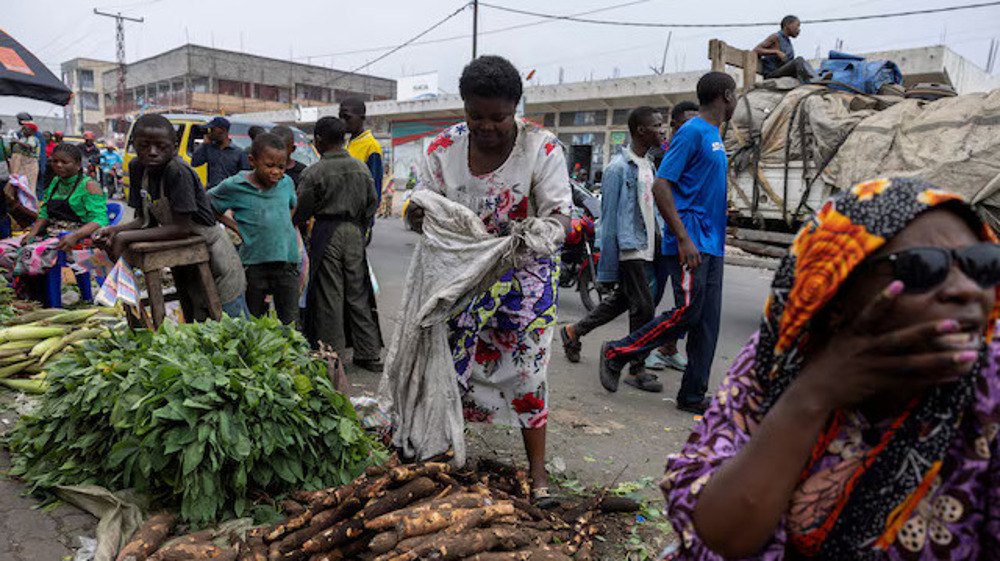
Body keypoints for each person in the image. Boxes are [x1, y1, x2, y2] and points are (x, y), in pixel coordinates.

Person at [660, 178, 1000, 560]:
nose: (967, 289)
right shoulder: (782, 355)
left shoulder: (991, 384)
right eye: (923, 266)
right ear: (834, 291)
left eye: (982, 264)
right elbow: (723, 531)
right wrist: (814, 393)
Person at [406, 55, 573, 501]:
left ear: (515, 107)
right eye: (475, 115)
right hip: (460, 279)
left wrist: (535, 236)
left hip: (524, 280)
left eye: (498, 117)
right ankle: (442, 460)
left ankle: (538, 478)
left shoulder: (542, 148)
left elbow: (561, 217)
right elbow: (422, 209)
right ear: (464, 108)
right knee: (450, 368)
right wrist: (418, 212)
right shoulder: (442, 150)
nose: (486, 126)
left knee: (527, 375)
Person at [599, 72, 736, 414]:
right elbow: (662, 186)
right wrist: (684, 237)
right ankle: (618, 352)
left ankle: (692, 395)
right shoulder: (692, 132)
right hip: (692, 241)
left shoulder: (715, 136)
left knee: (707, 323)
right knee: (688, 314)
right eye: (735, 95)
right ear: (725, 95)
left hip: (713, 242)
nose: (737, 101)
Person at [93, 113, 248, 320]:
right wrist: (113, 230)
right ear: (133, 145)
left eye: (161, 146)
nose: (152, 152)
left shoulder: (177, 171)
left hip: (211, 249)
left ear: (174, 146)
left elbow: (182, 227)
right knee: (194, 309)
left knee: (230, 318)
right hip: (182, 252)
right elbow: (143, 221)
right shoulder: (138, 168)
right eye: (144, 146)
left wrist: (124, 238)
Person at [560, 107, 666, 393]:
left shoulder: (649, 165)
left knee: (622, 301)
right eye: (657, 125)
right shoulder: (617, 169)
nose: (662, 130)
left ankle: (574, 331)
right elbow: (607, 218)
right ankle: (636, 367)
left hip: (646, 246)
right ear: (641, 131)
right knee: (644, 307)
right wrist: (608, 259)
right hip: (628, 247)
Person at [294, 116, 383, 371]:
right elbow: (371, 203)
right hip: (355, 231)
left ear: (319, 140)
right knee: (358, 292)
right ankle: (368, 353)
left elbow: (302, 209)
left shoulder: (314, 172)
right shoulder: (361, 168)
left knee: (329, 294)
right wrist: (361, 229)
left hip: (327, 230)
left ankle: (332, 355)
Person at [209, 133, 299, 325]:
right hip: (253, 264)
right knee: (253, 321)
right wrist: (234, 226)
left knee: (290, 322)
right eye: (269, 166)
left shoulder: (286, 183)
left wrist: (284, 226)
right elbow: (208, 205)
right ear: (252, 161)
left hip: (286, 262)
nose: (276, 172)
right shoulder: (235, 186)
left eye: (281, 167)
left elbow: (293, 204)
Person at [0, 143, 108, 295]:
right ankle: (21, 289)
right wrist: (32, 233)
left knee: (29, 254)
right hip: (49, 234)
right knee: (4, 249)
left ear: (78, 165)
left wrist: (75, 236)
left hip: (76, 238)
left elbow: (99, 220)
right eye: (55, 161)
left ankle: (36, 295)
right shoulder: (56, 182)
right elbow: (44, 213)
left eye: (64, 162)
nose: (58, 165)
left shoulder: (89, 186)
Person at [645, 101, 700, 373]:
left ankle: (668, 348)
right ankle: (638, 349)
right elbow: (660, 193)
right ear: (676, 127)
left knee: (683, 301)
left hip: (683, 239)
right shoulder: (664, 154)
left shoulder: (695, 149)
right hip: (668, 239)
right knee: (653, 299)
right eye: (686, 124)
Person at [190, 116, 251, 188]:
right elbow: (194, 163)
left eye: (212, 130)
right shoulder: (209, 148)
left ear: (222, 130)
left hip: (230, 193)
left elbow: (245, 176)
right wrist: (204, 144)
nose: (210, 133)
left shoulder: (238, 153)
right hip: (212, 191)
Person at [754, 15, 817, 82]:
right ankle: (811, 80)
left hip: (783, 72)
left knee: (804, 64)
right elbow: (756, 50)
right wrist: (776, 52)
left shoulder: (787, 41)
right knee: (799, 60)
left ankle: (815, 77)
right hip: (773, 73)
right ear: (788, 25)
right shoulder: (775, 37)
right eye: (797, 26)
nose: (799, 29)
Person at [9, 121, 41, 196]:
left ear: (32, 131)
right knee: (18, 183)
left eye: (25, 129)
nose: (23, 131)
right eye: (23, 129)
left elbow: (29, 146)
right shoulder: (22, 139)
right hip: (21, 164)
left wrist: (17, 142)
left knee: (28, 185)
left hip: (29, 164)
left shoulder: (33, 139)